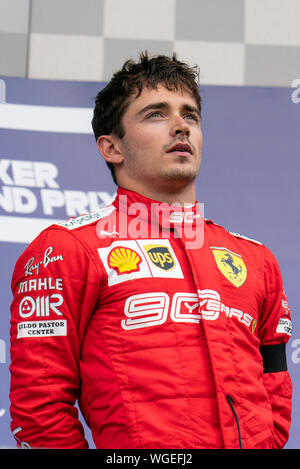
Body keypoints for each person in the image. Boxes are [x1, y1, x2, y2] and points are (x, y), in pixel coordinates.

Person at [9, 52, 292, 449]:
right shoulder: (67, 250)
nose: (181, 127)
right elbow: (38, 407)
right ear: (111, 147)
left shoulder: (254, 260)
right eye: (156, 114)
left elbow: (275, 392)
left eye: (190, 115)